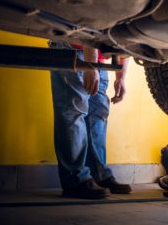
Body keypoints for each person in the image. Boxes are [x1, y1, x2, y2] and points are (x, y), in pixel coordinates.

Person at [50, 42, 131, 199]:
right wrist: (89, 65)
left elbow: (127, 43)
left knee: (97, 116)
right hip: (73, 49)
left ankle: (98, 175)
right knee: (73, 112)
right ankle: (75, 180)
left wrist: (120, 77)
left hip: (97, 58)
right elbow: (90, 24)